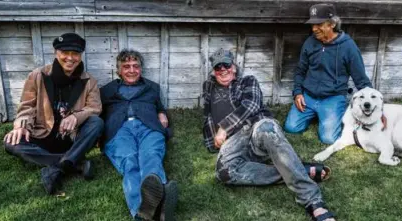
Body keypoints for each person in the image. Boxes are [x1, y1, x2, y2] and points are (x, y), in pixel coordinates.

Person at [202, 48, 335, 221]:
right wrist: (212, 140)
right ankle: (299, 169)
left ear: (234, 67)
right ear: (213, 71)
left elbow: (251, 105)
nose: (223, 69)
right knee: (224, 172)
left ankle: (313, 201)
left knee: (268, 131)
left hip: (256, 125)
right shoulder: (209, 87)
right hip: (233, 140)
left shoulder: (247, 81)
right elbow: (208, 116)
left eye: (226, 65)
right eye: (218, 67)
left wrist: (223, 128)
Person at [3, 33, 103, 194]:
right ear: (56, 53)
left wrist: (76, 117)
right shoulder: (37, 76)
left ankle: (59, 164)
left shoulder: (89, 81)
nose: (70, 58)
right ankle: (73, 163)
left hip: (71, 137)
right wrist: (21, 125)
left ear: (80, 56)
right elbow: (26, 106)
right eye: (65, 52)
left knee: (96, 123)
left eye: (75, 53)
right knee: (11, 142)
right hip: (42, 134)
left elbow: (94, 108)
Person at [100, 49, 177, 221]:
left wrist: (162, 113)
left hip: (148, 126)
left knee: (151, 157)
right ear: (119, 70)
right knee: (130, 162)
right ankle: (150, 209)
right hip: (119, 129)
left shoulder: (152, 88)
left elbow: (159, 107)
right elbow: (94, 111)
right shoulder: (106, 91)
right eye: (126, 66)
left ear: (141, 69)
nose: (132, 70)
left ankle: (147, 211)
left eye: (136, 66)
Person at [284, 3, 373, 144]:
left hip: (333, 97)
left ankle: (332, 112)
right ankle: (318, 114)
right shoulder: (309, 42)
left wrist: (374, 108)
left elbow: (361, 80)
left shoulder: (348, 47)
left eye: (319, 24)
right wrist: (298, 93)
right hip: (309, 96)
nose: (314, 29)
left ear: (332, 24)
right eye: (312, 25)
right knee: (291, 128)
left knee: (328, 138)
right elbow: (300, 70)